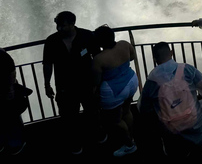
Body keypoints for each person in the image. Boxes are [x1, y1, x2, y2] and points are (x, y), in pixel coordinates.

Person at [138, 42, 202, 155]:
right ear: (172, 53)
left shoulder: (151, 81)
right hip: (197, 126)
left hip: (172, 133)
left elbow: (143, 108)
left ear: (155, 60)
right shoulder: (187, 69)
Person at [42, 11, 101, 154]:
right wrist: (47, 84)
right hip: (64, 87)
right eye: (57, 25)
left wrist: (97, 82)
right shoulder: (51, 41)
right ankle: (76, 143)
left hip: (87, 84)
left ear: (73, 24)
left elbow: (97, 57)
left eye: (63, 26)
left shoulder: (87, 36)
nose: (59, 29)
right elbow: (47, 64)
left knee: (93, 112)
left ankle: (98, 136)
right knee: (68, 118)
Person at [92, 25, 139, 157]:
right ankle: (131, 137)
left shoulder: (99, 59)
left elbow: (96, 81)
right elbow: (132, 57)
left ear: (99, 42)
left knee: (115, 120)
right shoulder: (124, 44)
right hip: (130, 81)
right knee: (126, 111)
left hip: (113, 91)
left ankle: (129, 145)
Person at [0, 49, 31, 156]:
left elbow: (11, 70)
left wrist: (10, 89)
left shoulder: (2, 55)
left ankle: (13, 144)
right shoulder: (2, 55)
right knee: (12, 121)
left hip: (6, 97)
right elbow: (11, 70)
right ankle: (15, 145)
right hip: (7, 97)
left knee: (11, 121)